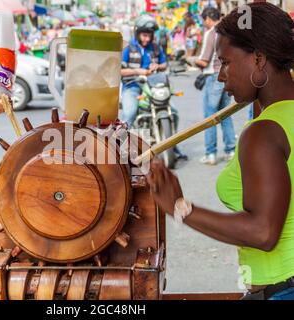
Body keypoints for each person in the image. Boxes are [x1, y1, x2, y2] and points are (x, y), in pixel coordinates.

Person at [147, 3, 294, 300]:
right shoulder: (277, 119)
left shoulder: (263, 133)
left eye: (225, 62)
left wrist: (179, 207)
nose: (220, 76)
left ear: (259, 60)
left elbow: (263, 232)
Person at [190, 7, 236, 165]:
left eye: (204, 20)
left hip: (213, 77)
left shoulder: (211, 33)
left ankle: (211, 153)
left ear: (209, 18)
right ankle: (231, 150)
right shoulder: (228, 31)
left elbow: (204, 60)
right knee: (225, 115)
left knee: (210, 117)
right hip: (227, 76)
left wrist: (190, 60)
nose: (204, 24)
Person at [121, 15, 167, 128]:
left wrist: (158, 66)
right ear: (137, 34)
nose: (147, 39)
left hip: (153, 87)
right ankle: (119, 143)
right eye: (144, 36)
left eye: (149, 36)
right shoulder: (128, 48)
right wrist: (137, 71)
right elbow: (119, 71)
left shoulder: (156, 48)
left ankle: (171, 145)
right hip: (132, 87)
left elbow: (164, 65)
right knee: (129, 113)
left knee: (173, 113)